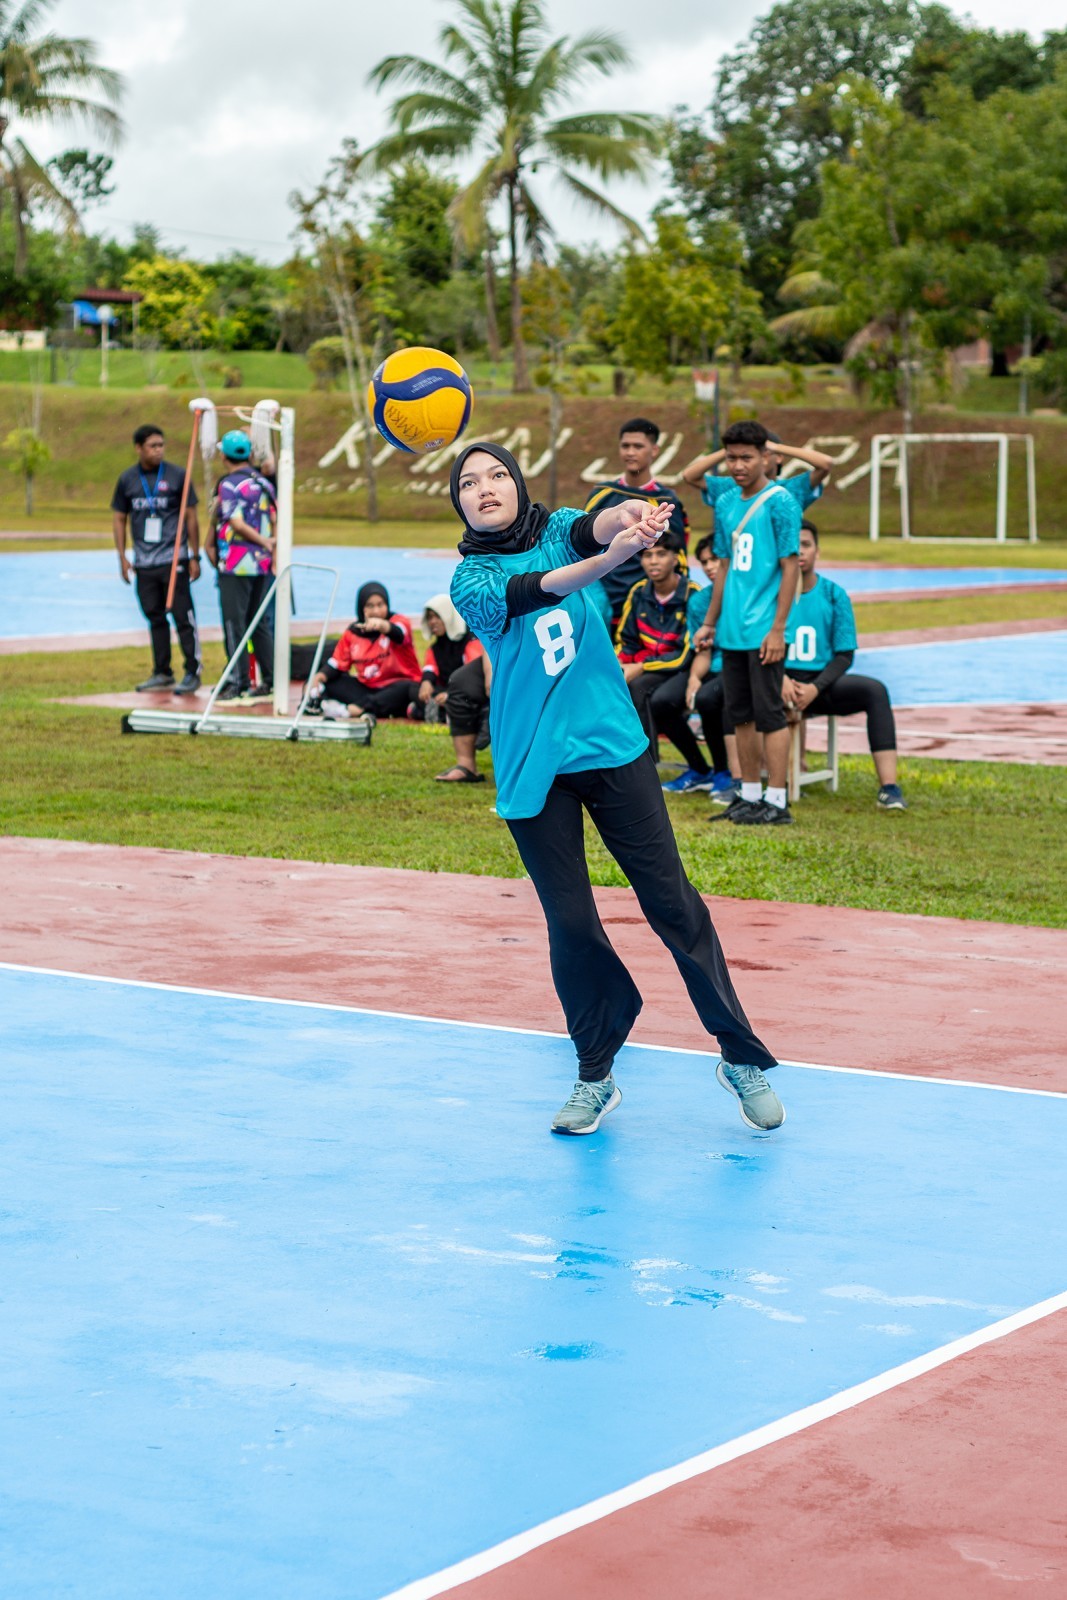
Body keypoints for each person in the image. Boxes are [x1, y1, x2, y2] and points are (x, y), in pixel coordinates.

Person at [449, 441, 785, 1137]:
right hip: (533, 765)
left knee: (672, 904)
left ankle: (738, 1055)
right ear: (459, 504)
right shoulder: (471, 579)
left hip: (610, 746)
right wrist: (610, 560)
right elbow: (541, 588)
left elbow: (593, 526)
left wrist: (628, 517)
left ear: (518, 483)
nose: (485, 487)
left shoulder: (557, 526)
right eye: (468, 482)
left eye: (497, 475)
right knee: (571, 926)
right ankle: (594, 1073)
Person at [693, 420, 801, 826]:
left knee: (770, 714)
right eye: (732, 458)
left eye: (747, 457)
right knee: (739, 715)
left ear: (766, 457)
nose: (738, 466)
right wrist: (710, 623)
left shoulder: (781, 501)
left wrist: (778, 628)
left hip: (764, 630)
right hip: (732, 629)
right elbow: (723, 567)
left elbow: (790, 566)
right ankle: (749, 794)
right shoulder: (725, 503)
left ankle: (777, 800)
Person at [784, 522, 907, 810]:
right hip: (778, 682)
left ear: (817, 551)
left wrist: (815, 688)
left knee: (875, 691)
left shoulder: (833, 594)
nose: (800, 551)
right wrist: (779, 679)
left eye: (806, 544)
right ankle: (737, 779)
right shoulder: (770, 594)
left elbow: (844, 655)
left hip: (820, 685)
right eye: (793, 545)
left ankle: (889, 788)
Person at [615, 528, 713, 792]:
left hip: (684, 668)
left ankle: (645, 768)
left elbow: (685, 654)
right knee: (614, 685)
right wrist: (620, 665)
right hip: (646, 667)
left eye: (661, 554)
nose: (653, 561)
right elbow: (626, 639)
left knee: (648, 693)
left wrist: (641, 667)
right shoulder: (638, 592)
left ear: (676, 558)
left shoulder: (693, 594)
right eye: (648, 555)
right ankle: (622, 763)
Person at [111, 423, 202, 695]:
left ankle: (193, 671)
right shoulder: (127, 479)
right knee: (155, 617)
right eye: (153, 446)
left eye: (161, 445)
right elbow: (119, 518)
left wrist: (194, 556)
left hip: (174, 561)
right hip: (144, 563)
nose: (158, 450)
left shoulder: (177, 476)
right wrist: (122, 557)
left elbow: (191, 517)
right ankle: (162, 672)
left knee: (183, 616)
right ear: (138, 448)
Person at [583, 417, 689, 627]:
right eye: (626, 446)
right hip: (600, 602)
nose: (630, 452)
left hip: (644, 608)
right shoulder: (601, 493)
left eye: (638, 446)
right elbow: (581, 544)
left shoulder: (666, 501)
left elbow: (679, 556)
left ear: (654, 450)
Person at [206, 430, 277, 701]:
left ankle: (238, 681)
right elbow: (274, 517)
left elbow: (236, 522)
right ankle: (270, 679)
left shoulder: (229, 485)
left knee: (234, 623)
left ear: (224, 456)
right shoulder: (264, 483)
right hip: (261, 564)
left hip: (237, 564)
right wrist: (271, 547)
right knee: (258, 622)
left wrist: (263, 541)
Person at [306, 581, 420, 722]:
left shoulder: (399, 622)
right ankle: (318, 704)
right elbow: (337, 663)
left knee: (407, 688)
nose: (376, 611)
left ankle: (355, 709)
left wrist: (382, 626)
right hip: (367, 688)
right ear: (361, 608)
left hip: (396, 688)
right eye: (370, 606)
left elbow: (399, 633)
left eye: (380, 605)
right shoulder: (354, 632)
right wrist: (318, 678)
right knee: (325, 681)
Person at [684, 535, 738, 802]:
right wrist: (694, 677)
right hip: (717, 670)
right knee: (689, 696)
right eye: (704, 562)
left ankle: (734, 774)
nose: (709, 567)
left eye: (714, 559)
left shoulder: (746, 596)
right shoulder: (699, 602)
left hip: (744, 666)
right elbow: (704, 651)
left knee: (714, 697)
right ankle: (715, 771)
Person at [682, 431, 832, 524]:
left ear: (779, 457)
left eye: (766, 453)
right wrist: (732, 449)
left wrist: (777, 447)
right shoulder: (731, 487)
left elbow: (825, 464)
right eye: (752, 455)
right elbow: (690, 475)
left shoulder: (791, 488)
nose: (761, 459)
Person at [417, 593, 484, 724]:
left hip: (467, 690)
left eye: (437, 616)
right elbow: (430, 668)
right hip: (444, 691)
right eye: (430, 618)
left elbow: (473, 676)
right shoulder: (435, 647)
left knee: (467, 698)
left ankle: (445, 713)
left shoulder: (470, 640)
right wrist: (426, 682)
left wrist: (450, 695)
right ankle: (443, 712)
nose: (432, 622)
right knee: (413, 689)